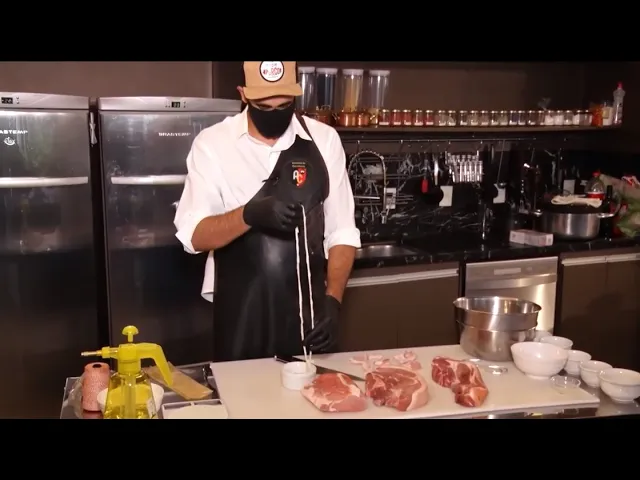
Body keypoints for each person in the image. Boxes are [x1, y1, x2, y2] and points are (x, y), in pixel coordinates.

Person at [174, 61, 361, 362]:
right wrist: (248, 215)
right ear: (243, 94)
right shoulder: (213, 144)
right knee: (242, 389)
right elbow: (194, 236)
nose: (275, 114)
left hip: (307, 313)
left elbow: (342, 232)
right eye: (264, 106)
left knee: (309, 390)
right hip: (240, 313)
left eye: (284, 105)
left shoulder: (324, 141)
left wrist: (333, 301)